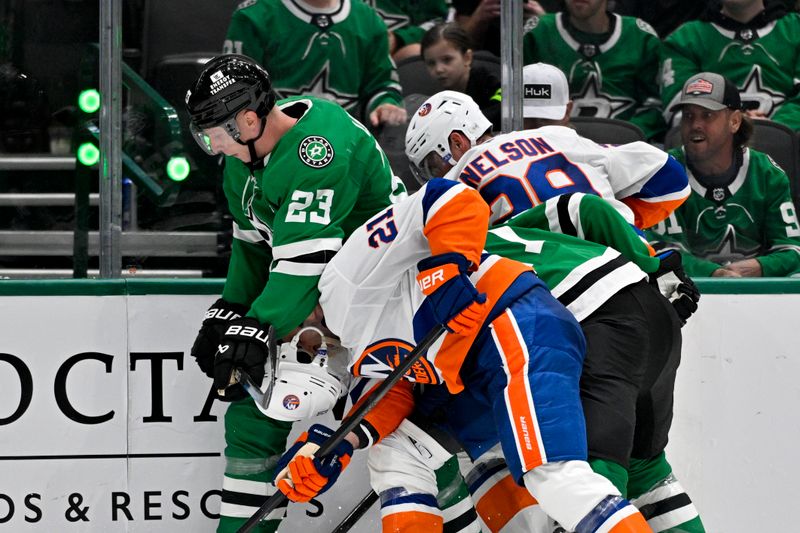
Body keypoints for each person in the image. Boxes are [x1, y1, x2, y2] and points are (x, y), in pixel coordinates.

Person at [275, 177, 656, 533]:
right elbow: (392, 394)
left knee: (553, 475)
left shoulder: (342, 279)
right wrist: (334, 445)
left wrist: (445, 271)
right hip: (473, 366)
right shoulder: (344, 349)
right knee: (397, 455)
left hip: (512, 324)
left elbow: (447, 195)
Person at [184, 53, 405, 533]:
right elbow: (253, 244)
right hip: (327, 301)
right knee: (251, 414)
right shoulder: (242, 159)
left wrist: (255, 327)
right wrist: (232, 309)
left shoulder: (318, 149)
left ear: (247, 119)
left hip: (392, 300)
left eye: (214, 132)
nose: (212, 144)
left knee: (400, 436)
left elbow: (306, 263)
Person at [405, 90, 689, 230]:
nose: (435, 174)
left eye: (432, 163)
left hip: (545, 284)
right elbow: (670, 176)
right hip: (626, 263)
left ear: (458, 141)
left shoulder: (454, 183)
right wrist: (620, 222)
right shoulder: (561, 137)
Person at [647, 72, 800, 277]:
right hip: (685, 296)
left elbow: (793, 251)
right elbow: (658, 251)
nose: (695, 125)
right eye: (688, 116)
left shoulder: (767, 173)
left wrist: (760, 267)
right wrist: (715, 273)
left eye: (707, 115)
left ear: (734, 121)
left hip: (759, 297)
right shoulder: (663, 173)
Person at [222, 0, 407, 128]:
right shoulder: (252, 17)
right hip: (270, 152)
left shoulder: (369, 21)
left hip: (346, 148)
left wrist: (384, 105)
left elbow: (382, 84)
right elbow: (234, 94)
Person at [522, 0, 666, 141]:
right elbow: (514, 99)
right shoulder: (538, 33)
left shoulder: (640, 37)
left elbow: (655, 106)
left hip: (622, 151)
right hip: (552, 147)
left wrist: (623, 138)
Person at [661, 0, 800, 130]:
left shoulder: (795, 29)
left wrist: (775, 130)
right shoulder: (684, 39)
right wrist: (730, 128)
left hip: (790, 148)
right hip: (709, 150)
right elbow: (679, 111)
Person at [421, 22, 502, 130]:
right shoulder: (439, 97)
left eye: (447, 60)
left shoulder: (491, 79)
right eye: (431, 63)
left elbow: (502, 111)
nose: (438, 69)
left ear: (467, 58)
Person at [453, 0, 546, 57]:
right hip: (486, 61)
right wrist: (478, 19)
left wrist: (544, 21)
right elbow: (457, 44)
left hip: (536, 59)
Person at [367, 0, 451, 60]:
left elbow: (440, 22)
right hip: (360, 54)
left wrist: (399, 39)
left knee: (416, 52)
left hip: (399, 55)